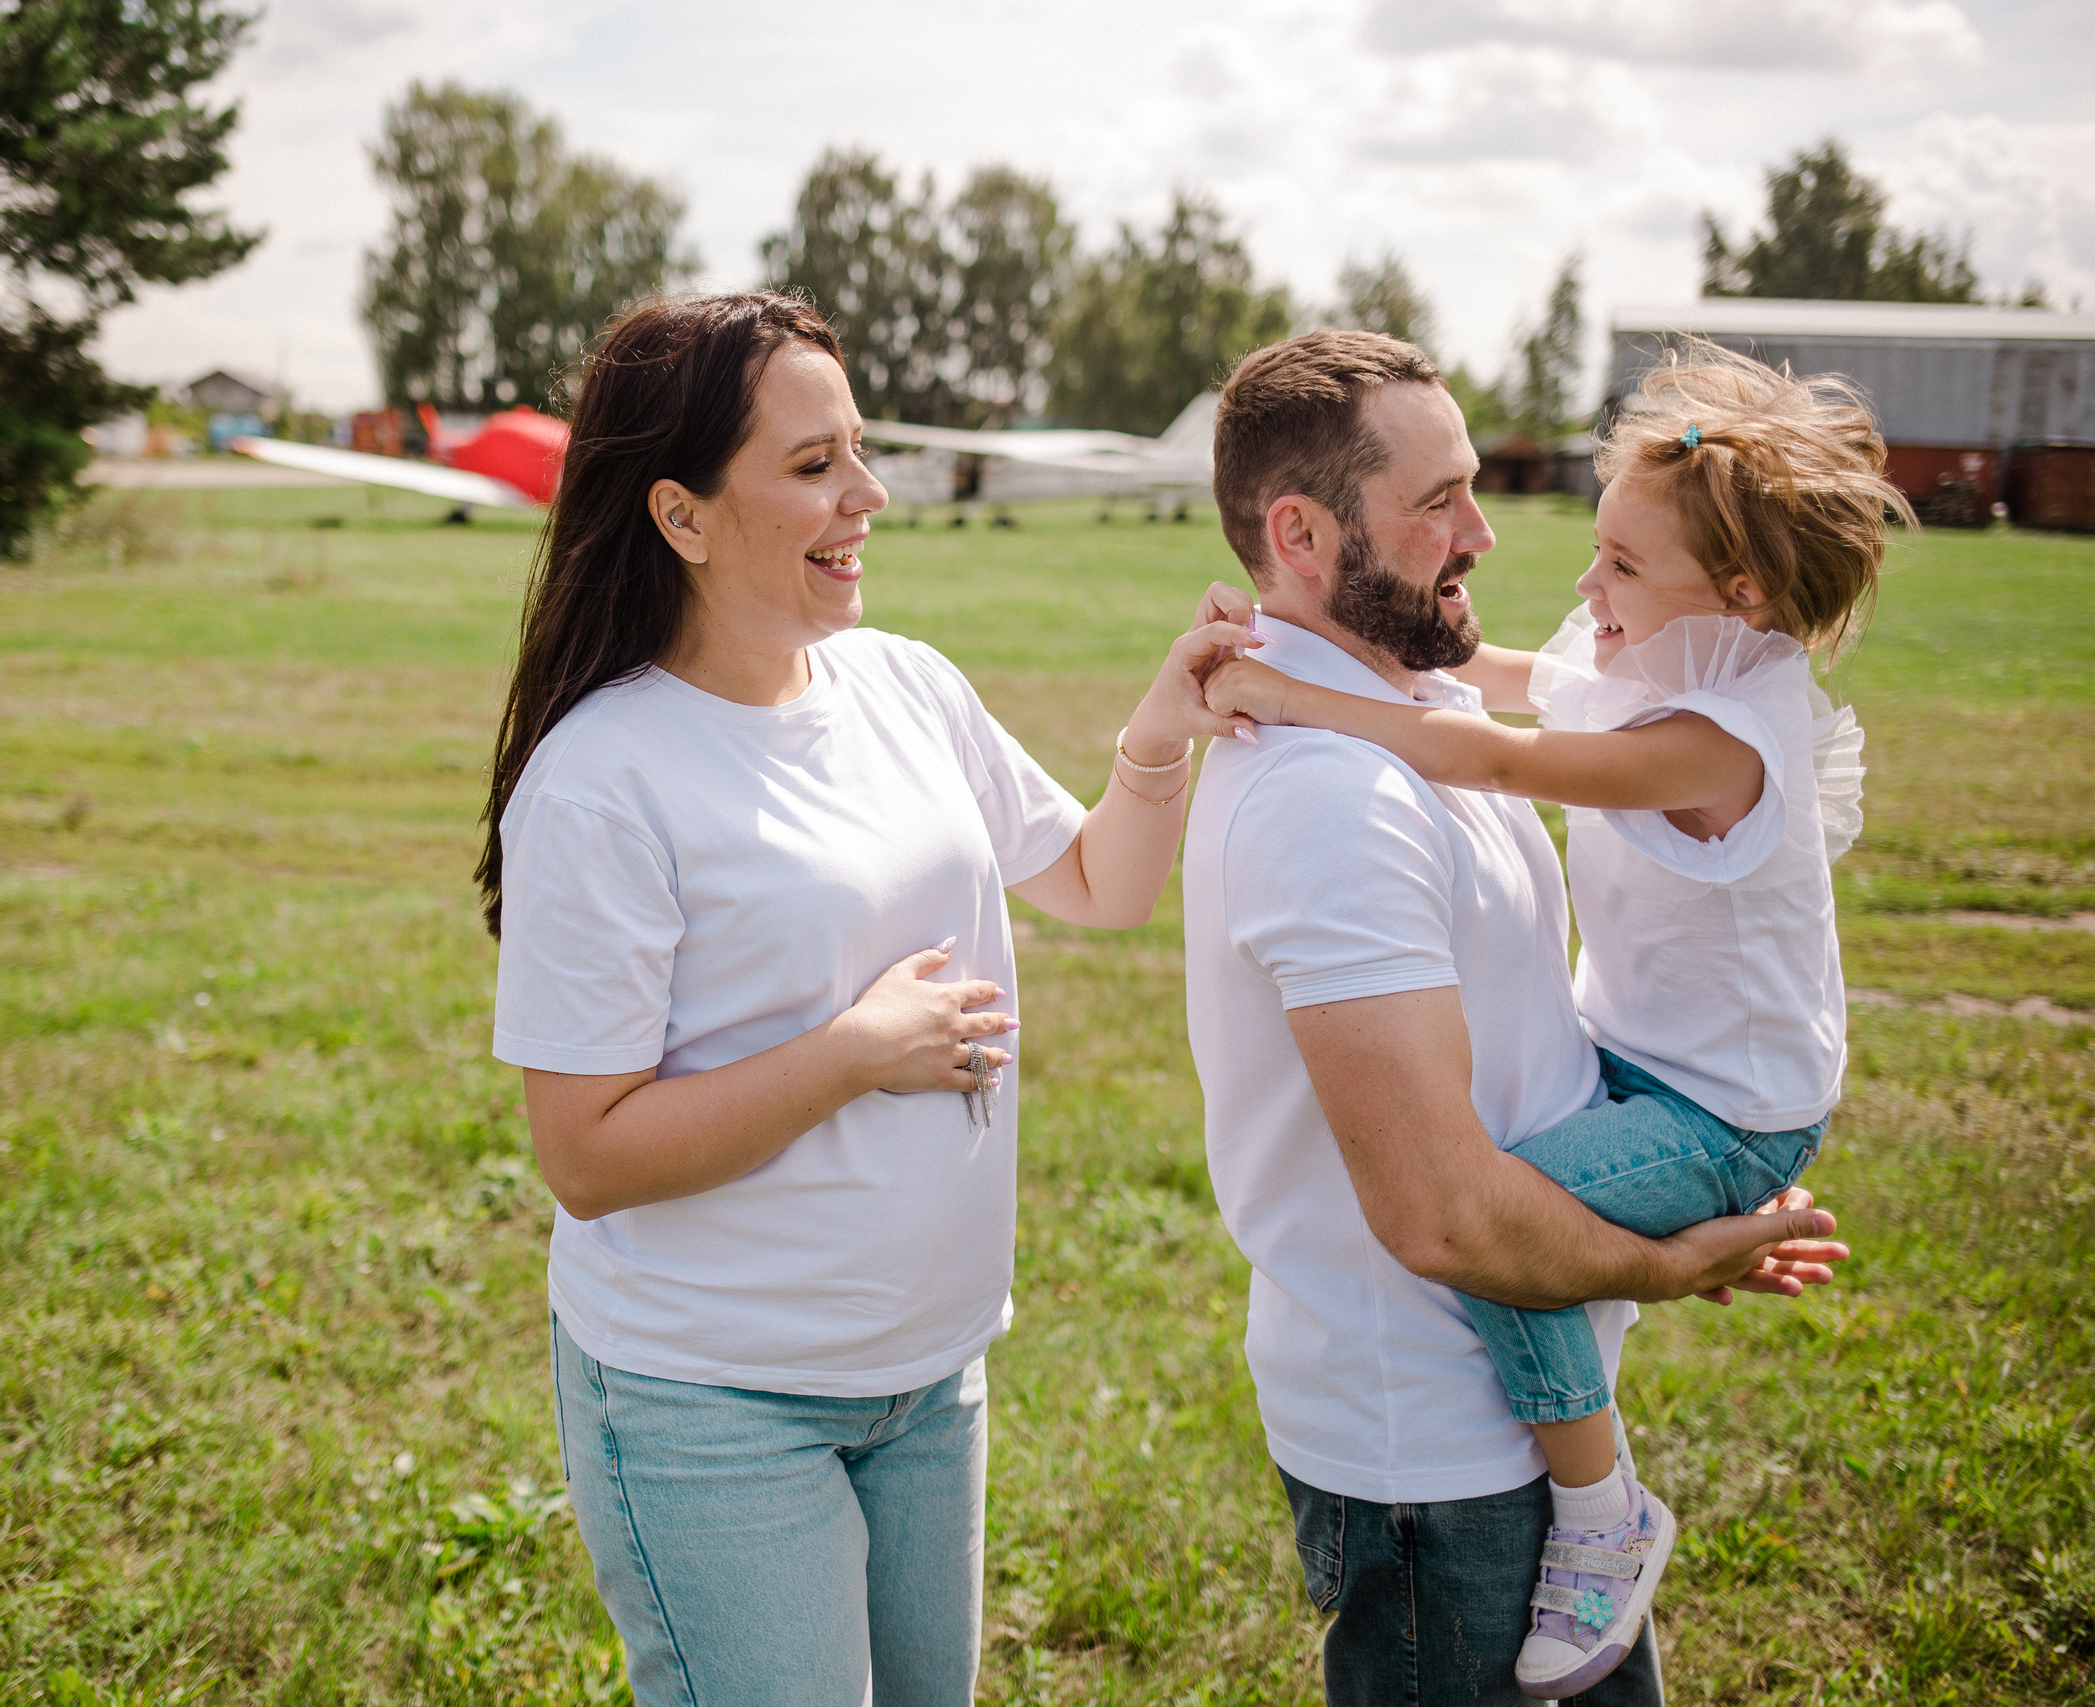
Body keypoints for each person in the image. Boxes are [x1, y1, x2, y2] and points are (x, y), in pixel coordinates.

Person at [480, 291, 1254, 1707]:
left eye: (858, 450)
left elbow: (1095, 882)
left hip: (927, 1379)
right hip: (712, 1402)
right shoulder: (604, 781)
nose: (869, 495)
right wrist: (850, 1055)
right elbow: (584, 1155)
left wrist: (1159, 732)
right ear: (683, 515)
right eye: (813, 464)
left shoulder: (904, 685)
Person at [1202, 342, 1904, 1695]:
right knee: (1501, 1216)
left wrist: (1296, 690)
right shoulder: (1356, 789)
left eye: (1620, 568)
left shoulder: (1713, 724)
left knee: (1514, 1213)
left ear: (1738, 594)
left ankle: (1603, 1506)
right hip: (1437, 1454)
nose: (1559, 574)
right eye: (1440, 499)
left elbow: (1501, 740)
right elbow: (1457, 1220)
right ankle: (1607, 1507)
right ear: (1302, 532)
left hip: (1716, 1112)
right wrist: (1661, 1260)